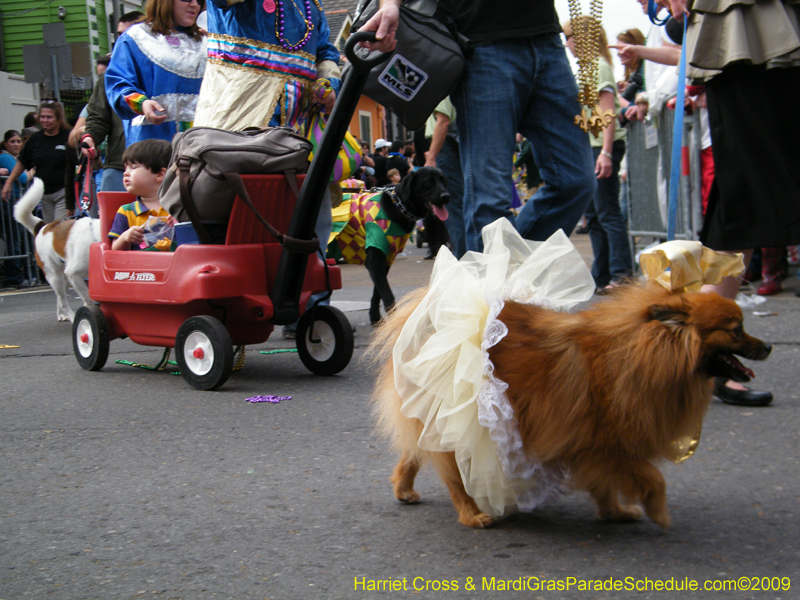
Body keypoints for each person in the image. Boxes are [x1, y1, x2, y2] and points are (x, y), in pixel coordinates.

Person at [360, 0, 596, 253]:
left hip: (547, 38)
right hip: (482, 43)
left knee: (575, 182)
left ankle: (503, 270)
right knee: (491, 200)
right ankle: (493, 282)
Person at [657, 0, 800, 406]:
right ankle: (701, 350)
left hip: (782, 21)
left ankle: (699, 348)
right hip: (740, 31)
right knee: (746, 196)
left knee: (750, 195)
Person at [564, 17, 632, 293]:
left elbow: (607, 114)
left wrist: (605, 152)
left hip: (602, 146)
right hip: (590, 146)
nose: (566, 44)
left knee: (607, 213)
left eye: (569, 37)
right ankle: (601, 274)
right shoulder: (587, 69)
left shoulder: (599, 68)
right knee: (594, 215)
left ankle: (621, 274)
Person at [105, 0, 207, 146]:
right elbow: (117, 85)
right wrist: (142, 103)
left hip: (201, 145)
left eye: (199, 0)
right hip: (153, 148)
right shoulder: (136, 37)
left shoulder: (206, 41)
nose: (194, 4)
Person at [2, 100, 70, 223]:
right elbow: (22, 162)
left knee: (59, 229)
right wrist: (9, 182)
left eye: (49, 117)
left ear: (59, 118)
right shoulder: (36, 139)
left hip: (64, 192)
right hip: (44, 194)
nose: (45, 120)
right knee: (49, 233)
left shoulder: (68, 137)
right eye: (42, 117)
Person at [108, 139, 173, 251]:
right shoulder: (126, 212)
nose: (125, 173)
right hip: (138, 267)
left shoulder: (178, 208)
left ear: (160, 174)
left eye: (133, 167)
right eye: (125, 168)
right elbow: (114, 252)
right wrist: (125, 237)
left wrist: (180, 223)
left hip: (177, 266)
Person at [424, 97, 464, 258]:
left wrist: (431, 157)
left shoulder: (441, 86)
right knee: (458, 204)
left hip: (445, 146)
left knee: (452, 205)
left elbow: (443, 121)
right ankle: (465, 253)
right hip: (450, 145)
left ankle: (462, 255)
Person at [1, 130, 33, 288]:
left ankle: (22, 275)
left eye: (18, 141)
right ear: (6, 143)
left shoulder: (14, 158)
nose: (16, 144)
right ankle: (15, 277)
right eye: (12, 141)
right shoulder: (5, 157)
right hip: (10, 202)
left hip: (15, 202)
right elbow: (22, 178)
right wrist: (32, 171)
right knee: (14, 240)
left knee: (19, 240)